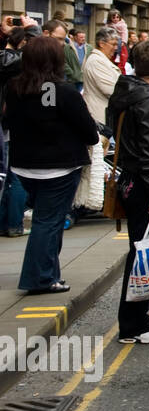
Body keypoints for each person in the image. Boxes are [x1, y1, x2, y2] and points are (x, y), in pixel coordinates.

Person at [2, 37, 98, 294]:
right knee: (47, 222)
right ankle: (40, 278)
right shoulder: (64, 92)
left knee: (47, 221)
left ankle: (49, 272)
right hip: (59, 168)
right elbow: (90, 133)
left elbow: (10, 120)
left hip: (24, 167)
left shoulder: (14, 88)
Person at [105, 40, 149, 343]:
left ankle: (140, 317)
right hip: (143, 184)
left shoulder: (128, 91)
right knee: (142, 254)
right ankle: (132, 326)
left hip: (132, 179)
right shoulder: (147, 100)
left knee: (141, 251)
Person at [82, 26, 122, 129]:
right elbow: (112, 90)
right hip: (100, 116)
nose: (116, 48)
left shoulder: (101, 60)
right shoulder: (96, 61)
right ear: (101, 44)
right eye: (113, 44)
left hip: (104, 114)